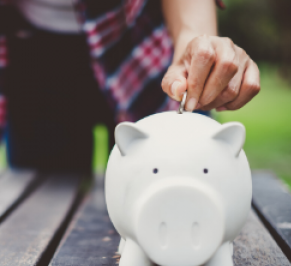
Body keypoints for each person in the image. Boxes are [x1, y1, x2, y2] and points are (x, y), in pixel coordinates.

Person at [0, 0, 260, 174]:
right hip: (33, 49)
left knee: (184, 172)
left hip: (141, 38)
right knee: (42, 203)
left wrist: (198, 41)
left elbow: (192, 27)